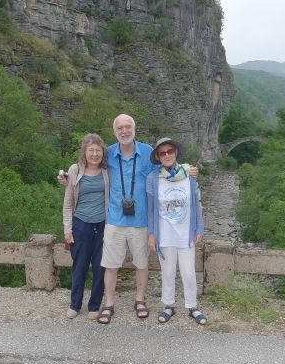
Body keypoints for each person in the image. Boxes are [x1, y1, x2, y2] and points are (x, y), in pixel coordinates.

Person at [58, 114, 197, 325]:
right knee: (110, 265)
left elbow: (165, 169)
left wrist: (187, 170)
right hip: (114, 220)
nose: (124, 131)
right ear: (115, 132)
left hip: (141, 221)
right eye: (120, 128)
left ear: (134, 128)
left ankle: (140, 300)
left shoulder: (148, 152)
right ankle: (109, 303)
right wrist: (67, 178)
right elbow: (88, 164)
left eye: (128, 127)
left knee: (141, 264)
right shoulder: (109, 154)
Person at [146, 137, 207, 325]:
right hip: (164, 233)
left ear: (176, 153)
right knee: (167, 272)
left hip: (186, 232)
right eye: (162, 153)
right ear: (157, 157)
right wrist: (151, 234)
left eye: (170, 151)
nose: (166, 155)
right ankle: (168, 305)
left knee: (188, 272)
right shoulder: (153, 179)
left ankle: (192, 306)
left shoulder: (189, 175)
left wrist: (199, 227)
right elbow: (150, 210)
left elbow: (196, 204)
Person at [62, 134, 110, 319]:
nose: (95, 154)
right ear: (85, 151)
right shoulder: (75, 170)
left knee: (100, 267)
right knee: (79, 266)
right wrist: (67, 230)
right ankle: (75, 304)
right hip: (80, 224)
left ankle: (94, 305)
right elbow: (68, 203)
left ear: (103, 152)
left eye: (98, 150)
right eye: (91, 150)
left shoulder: (107, 171)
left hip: (103, 225)